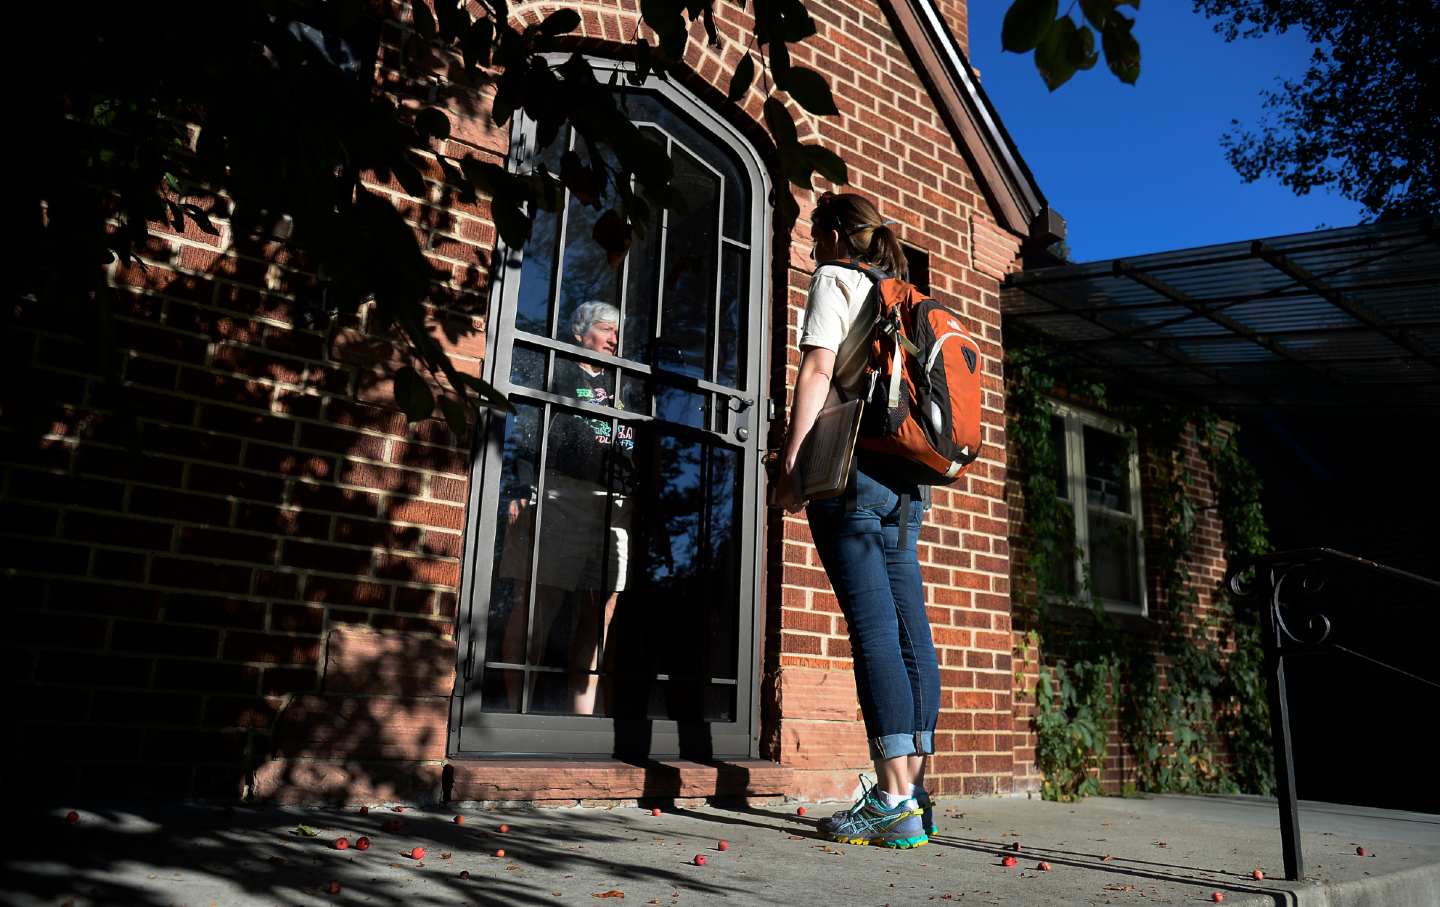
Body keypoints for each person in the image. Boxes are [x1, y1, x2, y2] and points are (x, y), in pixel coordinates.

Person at [775, 192, 940, 849]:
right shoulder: (903, 291)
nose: (813, 250)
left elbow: (818, 369)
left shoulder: (836, 279)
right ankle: (912, 792)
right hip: (907, 482)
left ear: (839, 235)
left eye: (816, 237)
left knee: (875, 627)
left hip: (850, 475)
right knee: (911, 628)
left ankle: (894, 800)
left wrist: (791, 464)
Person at [498, 300, 635, 715]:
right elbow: (527, 426)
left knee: (600, 616)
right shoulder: (557, 371)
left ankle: (583, 717)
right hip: (561, 495)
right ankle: (514, 711)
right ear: (580, 333)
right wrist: (523, 485)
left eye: (617, 331)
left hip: (616, 505)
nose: (615, 339)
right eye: (607, 330)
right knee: (541, 602)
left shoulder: (625, 384)